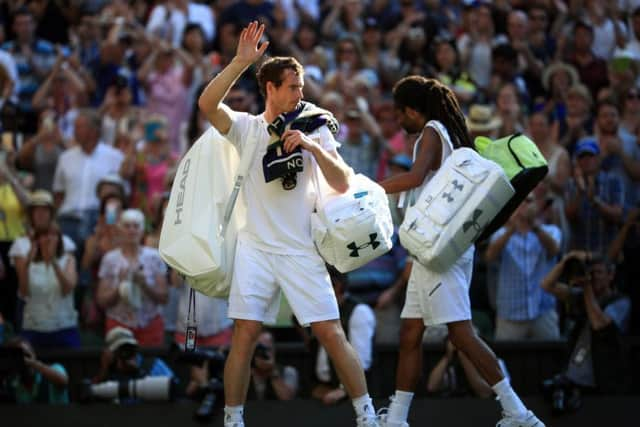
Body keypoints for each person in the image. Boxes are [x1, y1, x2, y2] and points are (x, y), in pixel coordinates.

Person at [197, 21, 380, 427]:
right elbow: (207, 106)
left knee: (331, 333)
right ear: (272, 89)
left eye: (301, 86)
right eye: (293, 87)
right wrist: (240, 63)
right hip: (256, 248)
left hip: (301, 247)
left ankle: (367, 417)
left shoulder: (314, 125)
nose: (301, 94)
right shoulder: (247, 128)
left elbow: (342, 181)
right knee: (244, 335)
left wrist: (312, 144)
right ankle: (233, 420)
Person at [377, 76, 544, 427]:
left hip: (439, 249)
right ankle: (395, 419)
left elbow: (414, 176)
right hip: (434, 248)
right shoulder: (445, 132)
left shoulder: (431, 132)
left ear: (412, 110)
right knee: (411, 334)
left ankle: (519, 413)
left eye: (399, 112)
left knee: (461, 334)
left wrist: (368, 188)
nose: (398, 120)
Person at [540, 251, 631, 413]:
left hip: (603, 380)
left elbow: (599, 323)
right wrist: (568, 260)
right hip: (575, 377)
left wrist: (586, 287)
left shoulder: (621, 301)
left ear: (611, 275)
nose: (593, 277)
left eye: (598, 273)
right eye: (590, 273)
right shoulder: (581, 295)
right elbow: (547, 285)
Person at [485, 193, 562, 341]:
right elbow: (490, 256)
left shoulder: (551, 231)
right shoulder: (501, 234)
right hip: (510, 315)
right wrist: (512, 228)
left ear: (538, 205)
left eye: (528, 201)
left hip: (543, 312)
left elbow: (554, 250)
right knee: (505, 362)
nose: (523, 206)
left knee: (551, 360)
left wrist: (533, 225)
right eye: (519, 202)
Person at [10, 191, 80, 349]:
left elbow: (68, 288)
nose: (41, 214)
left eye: (45, 210)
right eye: (37, 210)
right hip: (34, 323)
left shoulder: (67, 250)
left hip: (63, 323)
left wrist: (53, 262)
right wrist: (29, 260)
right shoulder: (20, 245)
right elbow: (23, 292)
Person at [311, 267, 376, 406]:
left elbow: (362, 361)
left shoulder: (359, 312)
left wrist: (343, 390)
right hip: (323, 389)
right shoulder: (319, 313)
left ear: (336, 285)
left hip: (351, 396)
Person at [0, 336, 70, 404]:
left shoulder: (55, 368)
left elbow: (63, 381)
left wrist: (32, 363)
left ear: (33, 355)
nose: (24, 361)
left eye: (26, 355)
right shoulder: (14, 384)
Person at [247, 329, 299, 401]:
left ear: (274, 350)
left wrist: (273, 372)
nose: (263, 353)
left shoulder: (288, 371)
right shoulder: (243, 374)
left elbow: (287, 401)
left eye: (267, 349)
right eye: (259, 349)